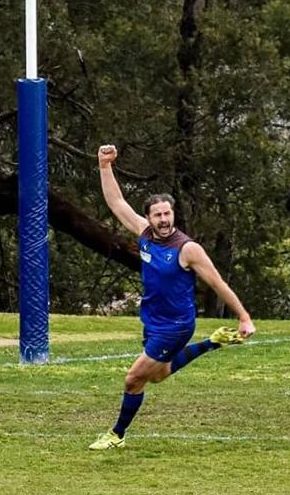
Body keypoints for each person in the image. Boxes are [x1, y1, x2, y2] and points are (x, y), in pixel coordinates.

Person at [89, 144, 256, 451]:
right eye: (158, 214)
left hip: (176, 325)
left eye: (168, 213)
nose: (164, 219)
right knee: (159, 374)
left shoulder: (187, 249)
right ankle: (213, 342)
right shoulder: (144, 234)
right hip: (153, 320)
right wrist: (104, 165)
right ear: (149, 217)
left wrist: (243, 316)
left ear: (173, 214)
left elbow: (218, 283)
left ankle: (117, 434)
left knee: (133, 379)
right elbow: (116, 202)